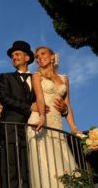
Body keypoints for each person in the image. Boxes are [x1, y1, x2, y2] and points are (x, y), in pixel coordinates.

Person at [27, 46, 81, 187]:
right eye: (37, 56)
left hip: (57, 124)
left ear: (52, 57)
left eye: (43, 53)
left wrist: (74, 128)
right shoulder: (36, 76)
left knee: (63, 163)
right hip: (40, 121)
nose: (39, 57)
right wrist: (42, 117)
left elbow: (67, 104)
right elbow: (39, 97)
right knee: (46, 164)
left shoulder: (64, 79)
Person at [0, 40, 45, 188]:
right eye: (12, 55)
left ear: (27, 58)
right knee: (11, 168)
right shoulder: (5, 77)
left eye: (17, 54)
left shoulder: (38, 78)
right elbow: (5, 99)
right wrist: (30, 107)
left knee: (28, 169)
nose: (14, 57)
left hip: (32, 130)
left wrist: (63, 109)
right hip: (10, 127)